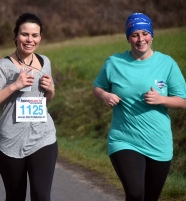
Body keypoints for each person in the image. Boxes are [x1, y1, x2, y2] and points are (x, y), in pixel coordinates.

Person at [93, 12, 186, 201]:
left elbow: (182, 100)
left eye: (145, 33)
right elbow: (98, 87)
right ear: (128, 37)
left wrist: (161, 99)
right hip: (124, 140)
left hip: (158, 143)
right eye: (135, 34)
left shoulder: (167, 63)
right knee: (135, 193)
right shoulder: (114, 63)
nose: (140, 39)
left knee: (150, 197)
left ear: (151, 35)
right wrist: (104, 95)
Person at [0, 13, 57, 201]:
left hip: (43, 137)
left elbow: (44, 101)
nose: (30, 40)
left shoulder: (44, 62)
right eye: (25, 34)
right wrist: (15, 85)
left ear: (40, 37)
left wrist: (50, 90)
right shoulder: (2, 67)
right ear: (16, 36)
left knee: (41, 195)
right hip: (11, 142)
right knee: (15, 196)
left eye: (35, 35)